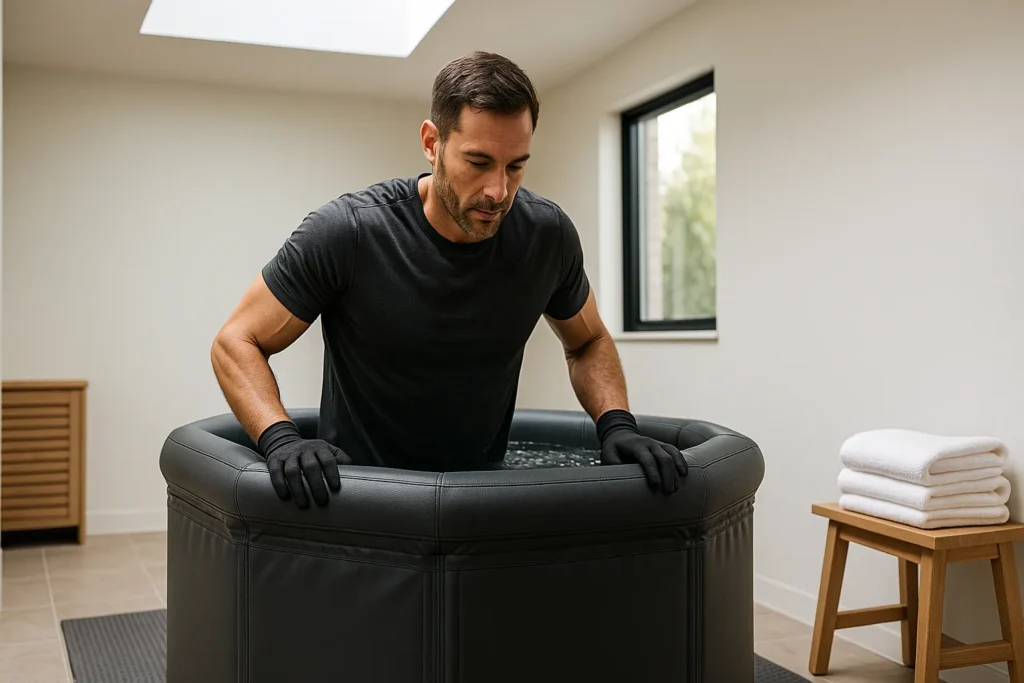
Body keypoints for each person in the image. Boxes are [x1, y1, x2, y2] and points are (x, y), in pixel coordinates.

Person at [210, 51, 688, 509]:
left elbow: (588, 340)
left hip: (478, 497)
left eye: (516, 165)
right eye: (478, 163)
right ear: (432, 142)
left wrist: (617, 425)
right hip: (358, 502)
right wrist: (279, 437)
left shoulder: (547, 235)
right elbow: (237, 341)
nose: (498, 191)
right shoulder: (350, 231)